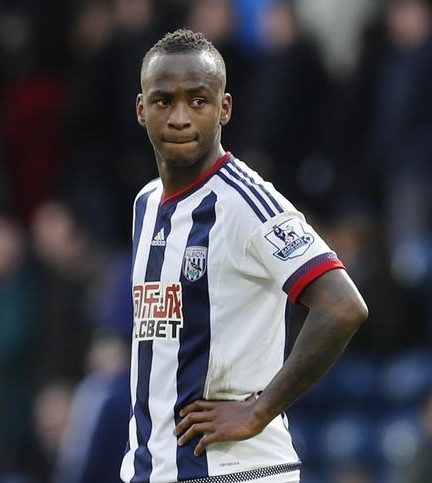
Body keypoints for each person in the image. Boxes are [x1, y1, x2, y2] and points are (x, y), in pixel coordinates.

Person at [120, 29, 368, 483]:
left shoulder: (247, 203)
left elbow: (343, 306)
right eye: (163, 101)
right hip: (154, 469)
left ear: (224, 108)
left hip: (237, 469)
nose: (179, 117)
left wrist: (258, 410)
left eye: (197, 101)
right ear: (141, 110)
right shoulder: (145, 204)